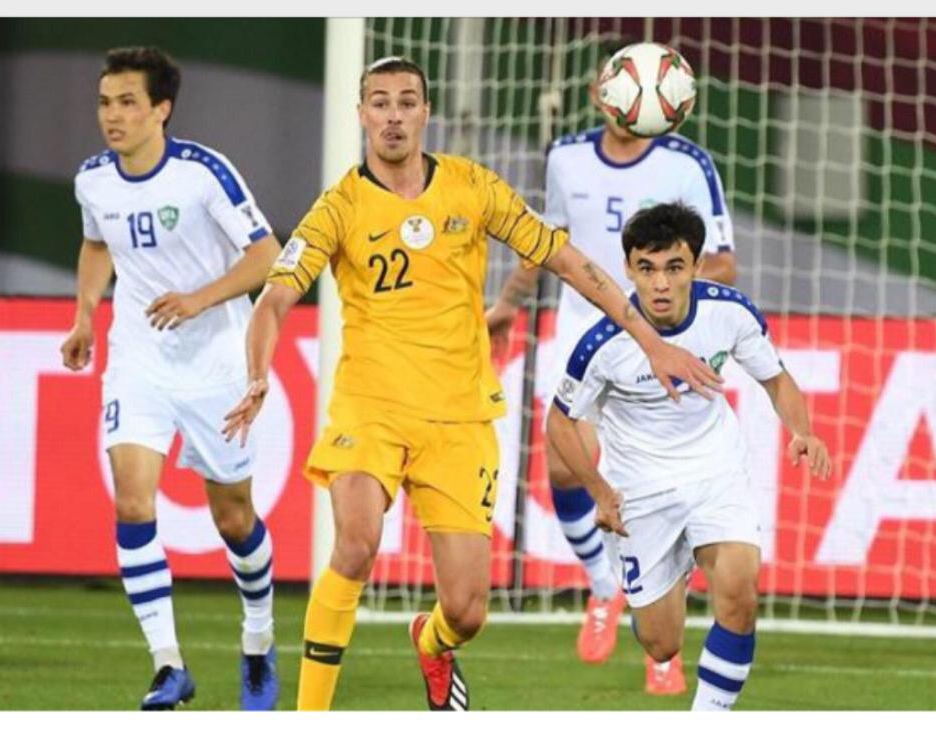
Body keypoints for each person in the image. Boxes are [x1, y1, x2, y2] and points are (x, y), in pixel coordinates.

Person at [221, 56, 721, 712]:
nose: (393, 115)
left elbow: (568, 262)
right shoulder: (338, 205)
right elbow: (274, 299)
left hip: (458, 417)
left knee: (465, 609)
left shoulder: (471, 188)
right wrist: (257, 373)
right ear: (361, 113)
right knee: (355, 541)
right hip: (369, 407)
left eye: (406, 102)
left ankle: (431, 644)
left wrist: (649, 340)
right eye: (379, 102)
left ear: (425, 112)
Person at [486, 41, 737, 694]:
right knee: (565, 463)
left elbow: (723, 262)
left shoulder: (688, 165)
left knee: (662, 490)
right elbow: (548, 243)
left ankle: (664, 648)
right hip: (584, 333)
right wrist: (508, 304)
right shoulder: (564, 157)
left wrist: (663, 299)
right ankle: (603, 584)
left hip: (660, 343)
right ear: (600, 94)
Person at [60, 46, 282, 711]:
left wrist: (198, 298)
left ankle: (258, 638)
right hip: (139, 359)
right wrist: (84, 316)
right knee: (132, 502)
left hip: (215, 358)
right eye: (104, 102)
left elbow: (268, 255)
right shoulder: (93, 179)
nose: (112, 116)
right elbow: (97, 242)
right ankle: (168, 664)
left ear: (161, 109)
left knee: (233, 516)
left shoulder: (203, 172)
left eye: (127, 102)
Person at [546, 202, 831, 711]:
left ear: (696, 267)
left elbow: (777, 378)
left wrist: (802, 430)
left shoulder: (729, 311)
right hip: (640, 491)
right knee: (662, 643)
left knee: (740, 589)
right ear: (628, 269)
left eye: (674, 268)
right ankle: (669, 569)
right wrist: (599, 491)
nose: (660, 283)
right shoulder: (603, 343)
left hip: (715, 472)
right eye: (647, 268)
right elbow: (559, 423)